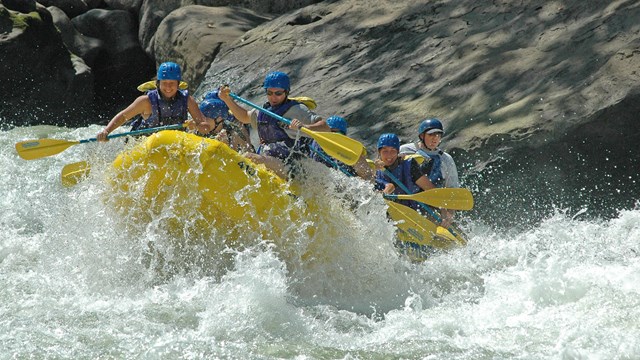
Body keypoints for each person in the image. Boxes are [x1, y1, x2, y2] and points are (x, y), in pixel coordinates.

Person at [218, 71, 330, 178]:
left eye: (278, 93)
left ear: (286, 92)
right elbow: (244, 117)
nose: (273, 97)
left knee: (250, 158)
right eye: (269, 93)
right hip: (271, 160)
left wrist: (305, 127)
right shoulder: (264, 111)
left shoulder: (297, 110)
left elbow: (325, 127)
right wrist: (227, 99)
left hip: (292, 165)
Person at [97, 62, 209, 141]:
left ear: (178, 84)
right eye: (164, 83)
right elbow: (123, 116)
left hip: (174, 143)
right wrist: (106, 131)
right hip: (145, 144)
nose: (168, 87)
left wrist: (197, 126)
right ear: (158, 84)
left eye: (172, 83)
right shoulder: (146, 101)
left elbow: (205, 127)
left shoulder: (188, 100)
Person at [399, 118, 460, 227]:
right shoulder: (405, 150)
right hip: (405, 200)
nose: (435, 139)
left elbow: (452, 190)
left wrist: (449, 215)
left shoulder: (446, 159)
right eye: (431, 135)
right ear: (422, 136)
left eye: (438, 135)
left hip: (432, 205)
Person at [374, 133, 435, 211]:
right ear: (379, 152)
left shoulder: (409, 166)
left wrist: (444, 213)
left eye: (393, 151)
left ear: (398, 152)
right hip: (396, 214)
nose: (389, 155)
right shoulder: (377, 171)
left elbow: (431, 190)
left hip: (418, 210)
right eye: (385, 151)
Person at [302, 115, 373, 180]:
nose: (333, 137)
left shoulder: (349, 150)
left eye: (337, 134)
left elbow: (367, 176)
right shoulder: (313, 143)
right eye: (331, 133)